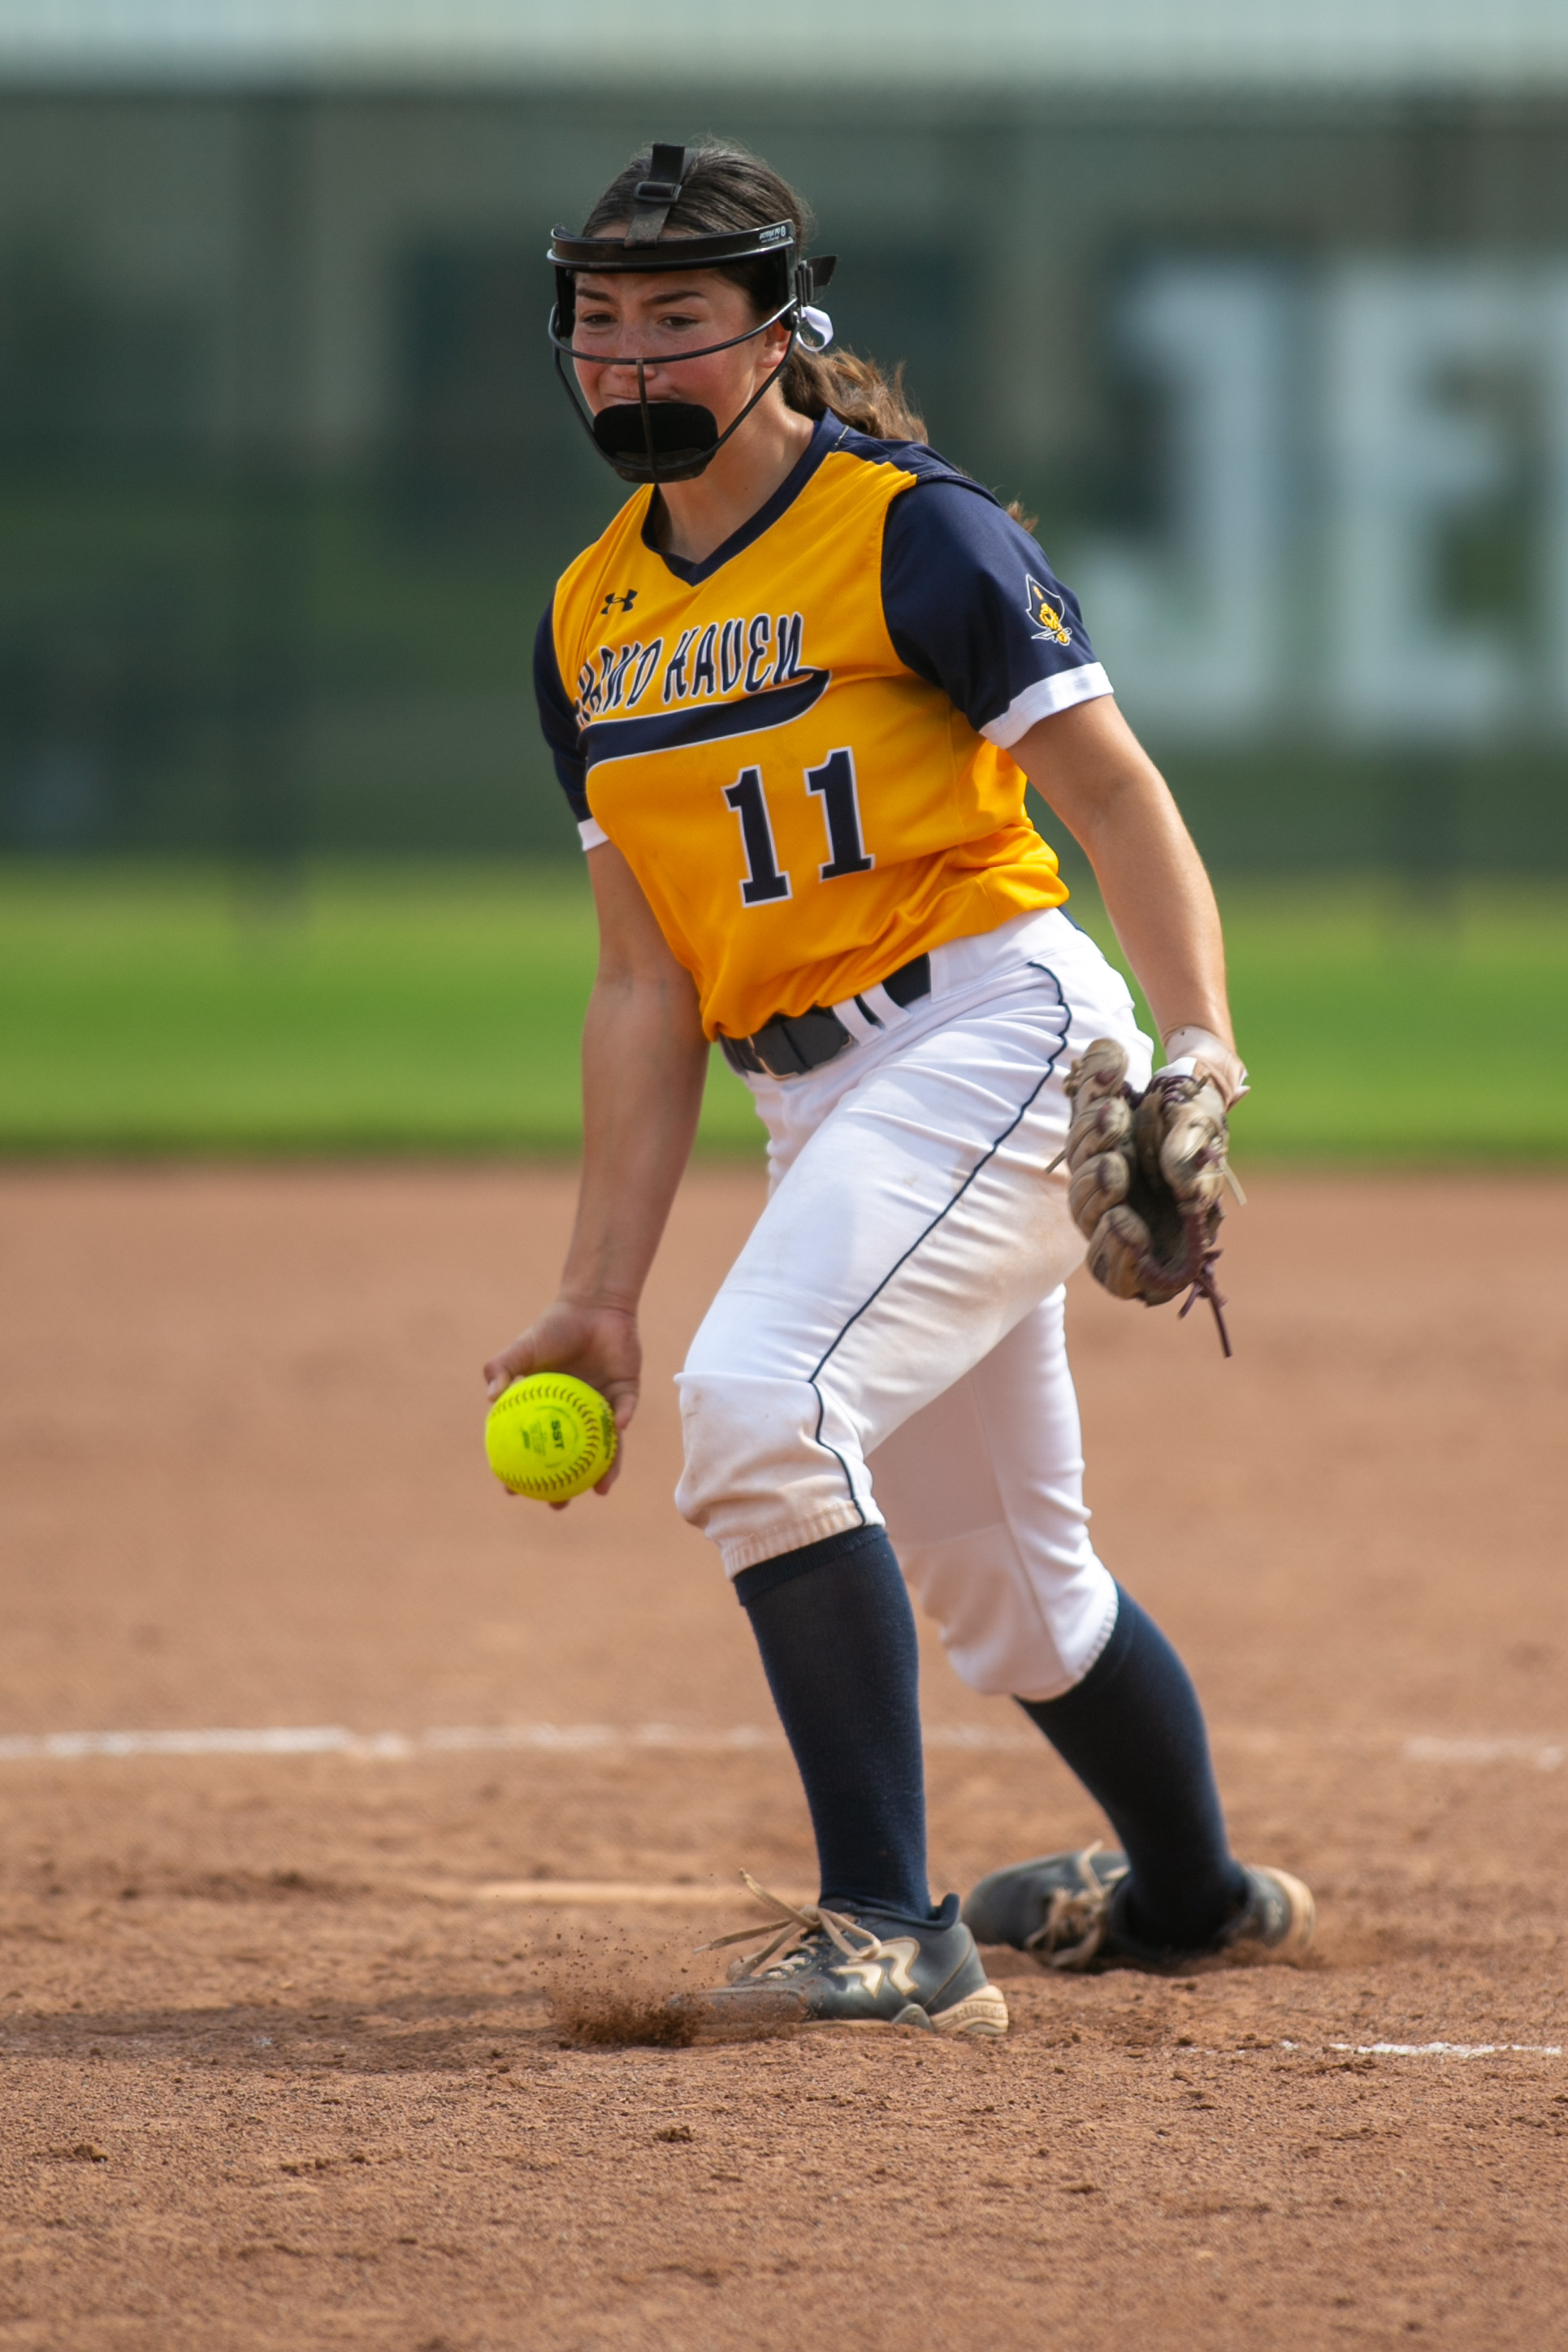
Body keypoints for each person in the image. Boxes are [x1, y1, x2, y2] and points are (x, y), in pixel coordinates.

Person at [485, 141, 1314, 2037]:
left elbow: (1110, 794)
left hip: (996, 1035)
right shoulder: (585, 622)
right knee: (1008, 1593)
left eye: (675, 322)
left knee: (763, 1402)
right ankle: (1185, 1895)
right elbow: (643, 978)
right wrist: (597, 1288)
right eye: (596, 323)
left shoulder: (907, 533)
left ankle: (890, 1927)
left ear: (776, 329)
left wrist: (1195, 1047)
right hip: (823, 1102)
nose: (628, 364)